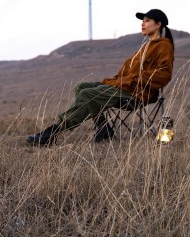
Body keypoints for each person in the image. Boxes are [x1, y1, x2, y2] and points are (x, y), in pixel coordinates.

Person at [26, 9, 174, 145]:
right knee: (81, 86)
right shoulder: (145, 46)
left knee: (87, 94)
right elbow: (126, 74)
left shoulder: (163, 45)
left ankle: (51, 133)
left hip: (137, 94)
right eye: (142, 21)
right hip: (125, 87)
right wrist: (120, 80)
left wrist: (132, 80)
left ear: (158, 24)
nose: (143, 24)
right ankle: (103, 128)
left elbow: (164, 75)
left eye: (147, 21)